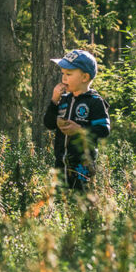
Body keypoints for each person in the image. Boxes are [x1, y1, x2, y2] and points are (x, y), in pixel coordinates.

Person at [41, 49, 111, 189]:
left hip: (83, 162)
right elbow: (49, 124)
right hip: (60, 162)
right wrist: (54, 101)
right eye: (63, 74)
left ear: (84, 78)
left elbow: (103, 129)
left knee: (81, 196)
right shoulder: (64, 99)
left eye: (69, 74)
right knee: (60, 198)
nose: (63, 78)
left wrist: (79, 130)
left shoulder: (94, 101)